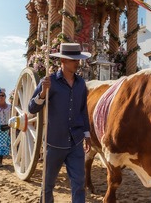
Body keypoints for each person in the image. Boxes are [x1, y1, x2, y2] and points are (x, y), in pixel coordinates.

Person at [28, 43, 92, 203]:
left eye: (78, 60)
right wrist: (43, 93)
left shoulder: (81, 84)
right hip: (54, 142)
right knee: (48, 184)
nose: (77, 63)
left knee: (79, 184)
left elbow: (83, 110)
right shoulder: (49, 82)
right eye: (73, 60)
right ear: (63, 60)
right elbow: (32, 108)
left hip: (75, 141)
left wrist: (87, 134)